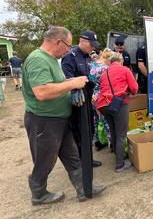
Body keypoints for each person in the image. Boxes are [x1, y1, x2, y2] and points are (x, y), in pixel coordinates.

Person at [22, 26, 105, 205]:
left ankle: (84, 189)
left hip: (59, 119)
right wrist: (72, 83)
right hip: (44, 120)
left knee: (72, 156)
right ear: (58, 42)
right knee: (45, 160)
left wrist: (69, 84)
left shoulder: (51, 59)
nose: (69, 49)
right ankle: (38, 194)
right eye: (67, 45)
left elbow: (54, 84)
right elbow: (42, 92)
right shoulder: (38, 60)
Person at [61, 30, 102, 167]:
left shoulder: (87, 57)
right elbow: (68, 79)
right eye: (91, 45)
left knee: (90, 130)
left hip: (87, 99)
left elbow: (89, 77)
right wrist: (74, 89)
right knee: (79, 132)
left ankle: (88, 158)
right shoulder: (70, 57)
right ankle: (81, 161)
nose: (93, 48)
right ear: (83, 41)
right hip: (77, 102)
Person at [97, 52, 138, 172]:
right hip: (119, 104)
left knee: (114, 132)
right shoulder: (124, 70)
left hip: (104, 105)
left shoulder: (105, 72)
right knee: (121, 135)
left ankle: (118, 155)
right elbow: (134, 88)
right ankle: (120, 164)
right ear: (121, 61)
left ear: (110, 62)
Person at [89, 48, 114, 150]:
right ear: (109, 58)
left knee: (96, 119)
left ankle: (98, 141)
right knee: (106, 120)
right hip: (104, 97)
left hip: (93, 96)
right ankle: (111, 143)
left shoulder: (92, 65)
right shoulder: (106, 68)